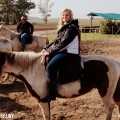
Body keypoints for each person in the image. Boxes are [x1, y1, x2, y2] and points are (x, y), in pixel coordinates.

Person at [42, 8, 81, 100]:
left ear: (71, 16)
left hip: (70, 53)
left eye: (67, 15)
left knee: (50, 67)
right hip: (64, 51)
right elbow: (57, 40)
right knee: (47, 59)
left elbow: (64, 43)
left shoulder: (71, 28)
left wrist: (50, 51)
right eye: (63, 15)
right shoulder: (65, 27)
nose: (64, 16)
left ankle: (51, 93)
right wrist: (46, 48)